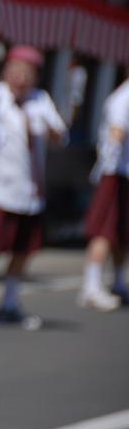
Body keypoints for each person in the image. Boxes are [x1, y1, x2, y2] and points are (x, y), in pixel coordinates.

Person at [0, 45, 68, 329]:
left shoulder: (41, 101)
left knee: (22, 253)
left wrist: (49, 126)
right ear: (7, 71)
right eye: (16, 70)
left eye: (27, 72)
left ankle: (9, 304)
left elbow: (60, 139)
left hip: (31, 193)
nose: (21, 78)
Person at [78, 75, 129, 311]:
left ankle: (118, 281)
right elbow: (116, 134)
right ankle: (91, 285)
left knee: (122, 234)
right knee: (105, 231)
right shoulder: (123, 98)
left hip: (124, 174)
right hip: (114, 172)